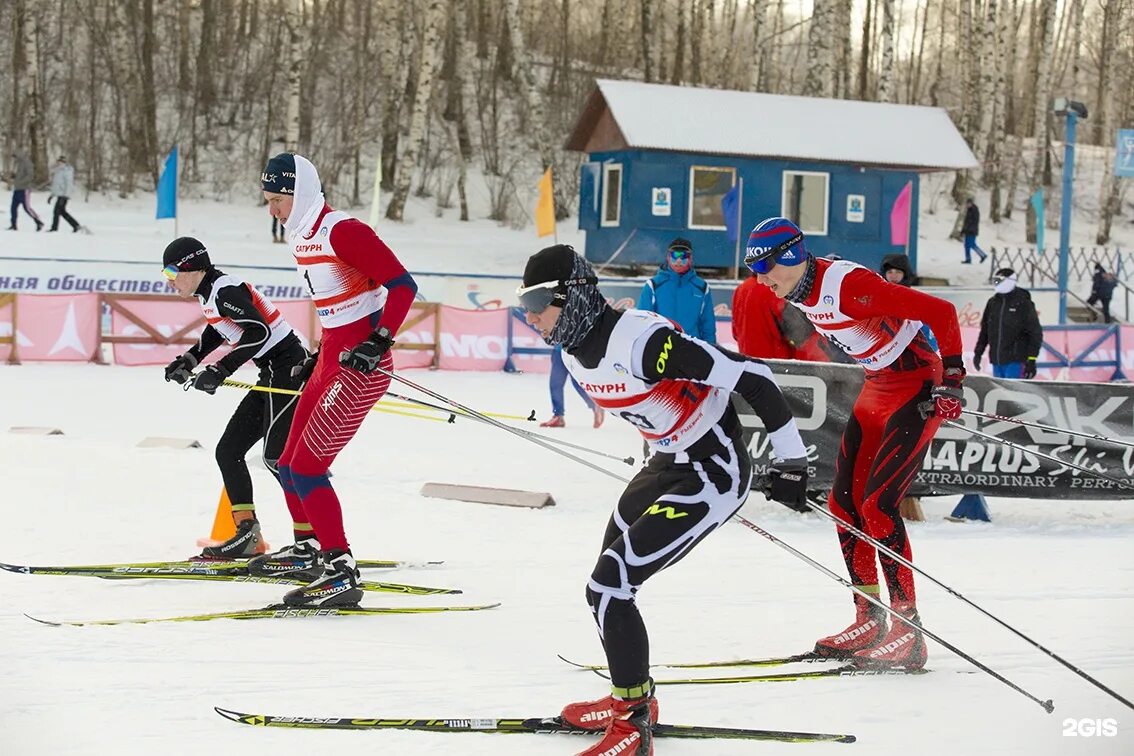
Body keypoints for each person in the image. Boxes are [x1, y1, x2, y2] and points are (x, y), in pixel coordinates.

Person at [518, 244, 809, 756]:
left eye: (540, 300)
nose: (531, 315)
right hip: (667, 464)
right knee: (604, 588)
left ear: (575, 296)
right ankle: (634, 698)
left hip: (712, 471)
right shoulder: (572, 349)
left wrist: (791, 462)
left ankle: (632, 725)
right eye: (524, 303)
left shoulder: (643, 343)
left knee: (610, 586)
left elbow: (755, 378)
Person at [746, 216, 966, 671]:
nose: (763, 281)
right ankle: (869, 618)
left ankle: (908, 630)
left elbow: (940, 313)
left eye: (768, 268)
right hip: (878, 385)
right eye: (756, 272)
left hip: (915, 385)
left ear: (791, 255)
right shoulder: (799, 291)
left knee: (878, 507)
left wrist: (953, 380)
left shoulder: (847, 285)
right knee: (843, 502)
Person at [251, 152, 417, 607]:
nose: (272, 210)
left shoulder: (343, 231)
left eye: (275, 201)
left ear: (296, 194)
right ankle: (309, 549)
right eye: (268, 201)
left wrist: (379, 340)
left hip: (361, 368)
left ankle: (340, 569)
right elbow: (338, 308)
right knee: (285, 463)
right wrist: (318, 353)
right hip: (331, 360)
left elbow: (403, 285)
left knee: (307, 467)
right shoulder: (300, 236)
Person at [161, 237, 308, 559]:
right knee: (229, 451)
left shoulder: (225, 291)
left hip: (290, 372)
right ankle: (247, 535)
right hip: (271, 373)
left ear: (193, 267)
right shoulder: (211, 294)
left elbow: (259, 331)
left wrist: (221, 369)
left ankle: (312, 540)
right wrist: (190, 359)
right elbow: (219, 329)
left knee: (277, 459)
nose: (170, 282)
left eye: (172, 273)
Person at [637, 237, 717, 343]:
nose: (679, 260)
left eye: (683, 256)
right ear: (668, 257)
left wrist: (711, 350)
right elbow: (642, 322)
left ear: (690, 259)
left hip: (692, 349)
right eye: (675, 256)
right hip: (661, 350)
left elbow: (708, 327)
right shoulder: (653, 285)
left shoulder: (702, 288)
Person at [973, 268, 1043, 379]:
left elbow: (1035, 333)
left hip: (1016, 360)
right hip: (997, 360)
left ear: (1010, 281)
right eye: (995, 281)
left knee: (1013, 394)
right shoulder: (993, 303)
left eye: (999, 281)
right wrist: (978, 353)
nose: (996, 284)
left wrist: (1032, 359)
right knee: (1000, 394)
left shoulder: (1023, 303)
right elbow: (985, 330)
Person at [540, 344, 604, 428]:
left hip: (573, 351)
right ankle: (558, 416)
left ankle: (595, 405)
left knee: (577, 384)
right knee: (555, 384)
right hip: (559, 351)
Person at [8, 151, 44, 231]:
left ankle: (38, 221)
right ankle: (13, 225)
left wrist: (20, 181)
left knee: (27, 208)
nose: (14, 159)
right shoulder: (18, 164)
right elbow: (20, 175)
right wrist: (14, 177)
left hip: (24, 189)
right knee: (13, 207)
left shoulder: (27, 163)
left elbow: (30, 176)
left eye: (15, 157)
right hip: (17, 189)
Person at [47, 156, 82, 233]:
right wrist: (52, 195)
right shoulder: (58, 171)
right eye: (59, 161)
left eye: (61, 161)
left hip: (63, 195)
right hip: (59, 194)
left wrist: (66, 196)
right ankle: (76, 225)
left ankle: (54, 228)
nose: (59, 163)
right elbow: (56, 185)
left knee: (57, 211)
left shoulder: (67, 171)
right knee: (62, 212)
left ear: (64, 162)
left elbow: (69, 184)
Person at [961, 197, 987, 264]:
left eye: (969, 204)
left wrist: (969, 228)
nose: (967, 205)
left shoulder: (974, 210)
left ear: (971, 203)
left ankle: (983, 255)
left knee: (972, 244)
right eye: (967, 204)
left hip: (972, 231)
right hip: (968, 230)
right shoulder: (969, 210)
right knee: (967, 245)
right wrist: (963, 230)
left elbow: (974, 221)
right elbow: (966, 222)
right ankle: (968, 259)